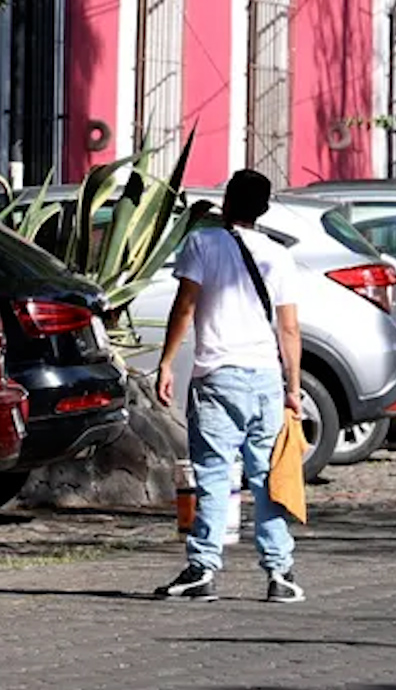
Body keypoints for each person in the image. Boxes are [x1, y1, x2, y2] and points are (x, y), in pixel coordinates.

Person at [152, 169, 305, 604]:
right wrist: (292, 387)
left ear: (227, 201)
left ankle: (203, 569)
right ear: (265, 208)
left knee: (215, 475)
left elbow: (185, 306)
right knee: (266, 477)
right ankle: (281, 573)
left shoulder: (201, 243)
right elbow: (289, 329)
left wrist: (166, 362)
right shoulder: (279, 255)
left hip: (218, 376)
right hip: (265, 380)